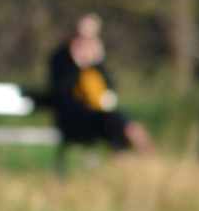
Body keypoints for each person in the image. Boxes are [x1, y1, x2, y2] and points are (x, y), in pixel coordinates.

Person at [49, 13, 155, 167]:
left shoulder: (96, 62)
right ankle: (123, 161)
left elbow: (111, 87)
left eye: (91, 37)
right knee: (111, 121)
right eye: (82, 36)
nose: (86, 41)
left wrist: (98, 62)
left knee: (129, 124)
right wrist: (77, 64)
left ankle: (153, 164)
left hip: (100, 113)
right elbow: (62, 92)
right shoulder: (60, 60)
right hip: (74, 117)